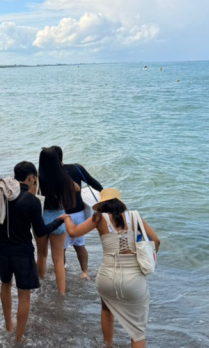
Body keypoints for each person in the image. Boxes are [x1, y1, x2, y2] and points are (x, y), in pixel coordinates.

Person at [0, 162, 67, 343]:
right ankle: (18, 338)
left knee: (5, 284)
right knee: (24, 295)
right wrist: (59, 221)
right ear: (32, 178)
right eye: (35, 179)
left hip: (1, 251)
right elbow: (41, 231)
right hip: (22, 253)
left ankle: (9, 324)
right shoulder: (32, 201)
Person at [64, 189, 160, 348]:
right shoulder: (135, 217)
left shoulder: (98, 218)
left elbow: (73, 232)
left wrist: (67, 218)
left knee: (107, 310)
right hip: (133, 279)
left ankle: (108, 345)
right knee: (137, 332)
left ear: (102, 204)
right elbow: (156, 241)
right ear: (120, 203)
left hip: (107, 277)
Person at [49, 145, 103, 280]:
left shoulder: (50, 173)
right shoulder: (76, 168)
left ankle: (62, 272)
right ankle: (85, 272)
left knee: (61, 249)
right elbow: (96, 185)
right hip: (79, 215)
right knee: (80, 245)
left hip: (61, 216)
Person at [35, 148, 79, 294]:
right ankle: (61, 292)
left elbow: (31, 195)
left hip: (41, 219)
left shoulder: (38, 178)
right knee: (59, 259)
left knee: (41, 254)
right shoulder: (64, 178)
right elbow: (77, 188)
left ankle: (40, 283)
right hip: (60, 219)